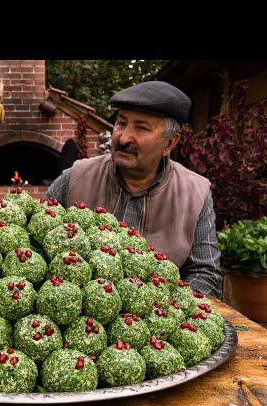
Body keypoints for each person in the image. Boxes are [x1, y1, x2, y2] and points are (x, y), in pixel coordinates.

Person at [45, 80, 222, 298]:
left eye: (141, 128)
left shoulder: (195, 193)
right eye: (121, 123)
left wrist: (162, 311)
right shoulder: (75, 178)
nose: (124, 137)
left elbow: (205, 275)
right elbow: (35, 240)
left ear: (169, 143)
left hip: (161, 325)